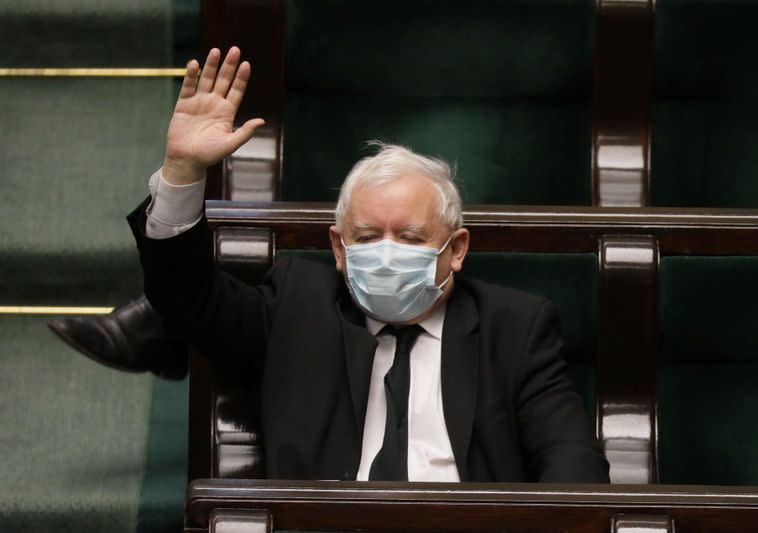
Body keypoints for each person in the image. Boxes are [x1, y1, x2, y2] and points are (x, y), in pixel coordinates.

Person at [61, 47, 610, 483]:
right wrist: (182, 171)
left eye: (412, 236)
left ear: (457, 248)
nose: (387, 250)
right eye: (368, 236)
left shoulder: (516, 328)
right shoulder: (296, 307)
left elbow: (573, 466)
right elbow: (183, 296)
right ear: (339, 248)